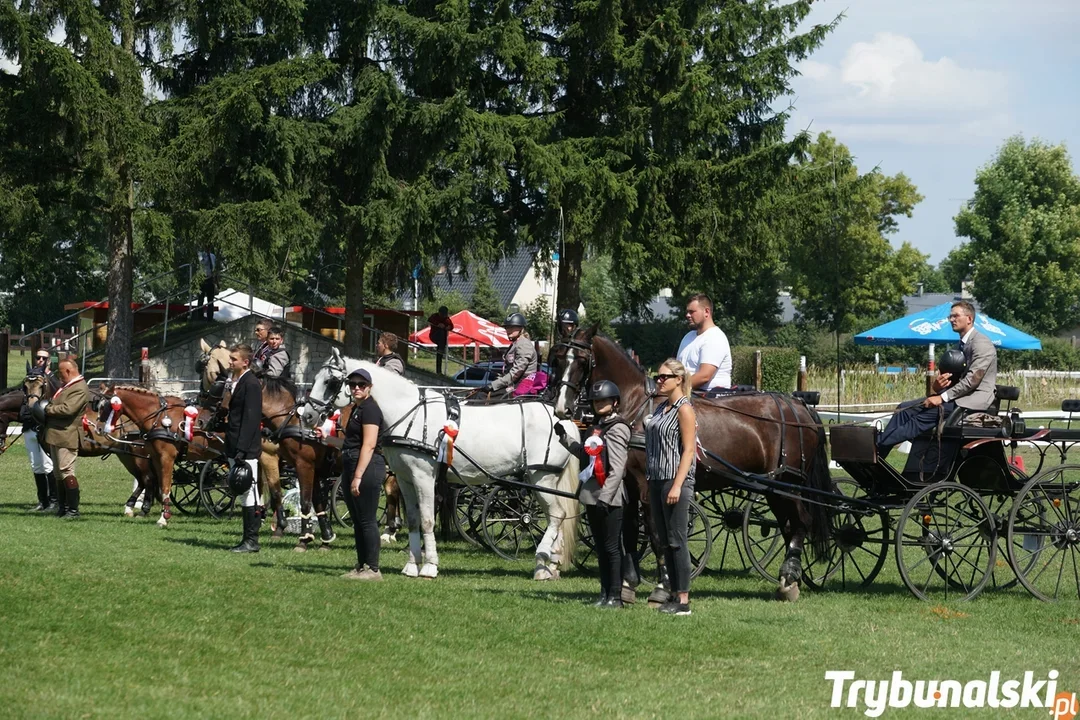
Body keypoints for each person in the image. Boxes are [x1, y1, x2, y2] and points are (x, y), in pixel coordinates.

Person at [876, 300, 998, 458]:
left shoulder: (982, 343)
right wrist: (938, 387)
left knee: (920, 419)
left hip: (972, 402)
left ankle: (877, 444)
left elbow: (973, 380)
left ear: (969, 318)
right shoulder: (958, 347)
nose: (952, 319)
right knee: (903, 409)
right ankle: (877, 457)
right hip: (956, 398)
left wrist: (941, 397)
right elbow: (952, 379)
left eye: (955, 316)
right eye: (950, 317)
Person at [555, 380, 630, 608]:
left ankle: (615, 596)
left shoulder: (617, 428)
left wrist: (605, 498)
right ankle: (604, 593)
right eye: (596, 401)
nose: (599, 404)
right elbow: (586, 454)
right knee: (600, 548)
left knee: (611, 548)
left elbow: (617, 469)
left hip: (610, 497)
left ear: (615, 402)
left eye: (604, 400)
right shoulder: (595, 428)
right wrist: (565, 439)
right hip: (591, 495)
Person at [645, 358, 697, 616]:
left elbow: (689, 451)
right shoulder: (660, 408)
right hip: (656, 480)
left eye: (665, 376)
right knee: (665, 542)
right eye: (658, 376)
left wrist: (677, 485)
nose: (659, 380)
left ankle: (684, 600)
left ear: (679, 379)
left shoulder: (683, 410)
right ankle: (674, 593)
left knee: (677, 541)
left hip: (674, 480)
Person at [337, 368, 386, 581]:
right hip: (352, 462)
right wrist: (326, 439)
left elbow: (369, 445)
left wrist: (357, 476)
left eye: (361, 384)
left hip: (367, 466)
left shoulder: (370, 410)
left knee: (367, 519)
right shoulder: (356, 409)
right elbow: (351, 443)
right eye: (352, 384)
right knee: (357, 519)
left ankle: (373, 569)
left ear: (370, 387)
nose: (356, 388)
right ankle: (361, 565)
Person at [40, 357, 90, 520]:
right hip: (57, 434)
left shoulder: (80, 388)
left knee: (66, 471)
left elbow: (68, 409)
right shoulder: (69, 386)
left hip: (67, 434)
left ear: (69, 371)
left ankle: (73, 510)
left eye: (61, 373)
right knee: (58, 473)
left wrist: (47, 408)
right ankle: (63, 507)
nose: (59, 376)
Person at [225, 343, 264, 553]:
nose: (230, 362)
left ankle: (251, 540)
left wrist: (241, 449)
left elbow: (251, 419)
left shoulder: (251, 383)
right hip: (235, 445)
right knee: (243, 492)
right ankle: (247, 539)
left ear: (245, 362)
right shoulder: (238, 381)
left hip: (246, 448)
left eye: (233, 359)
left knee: (249, 492)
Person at [21, 351, 57, 512]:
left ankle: (54, 501)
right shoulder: (29, 380)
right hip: (29, 427)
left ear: (49, 361)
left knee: (48, 465)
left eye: (44, 358)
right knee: (36, 466)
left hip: (44, 429)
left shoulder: (53, 381)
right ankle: (43, 501)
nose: (40, 360)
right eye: (38, 357)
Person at [676, 294, 732, 392]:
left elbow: (704, 376)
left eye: (692, 312)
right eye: (687, 312)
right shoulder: (688, 336)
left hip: (709, 399)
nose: (687, 315)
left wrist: (675, 388)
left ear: (706, 312)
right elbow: (677, 369)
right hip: (688, 394)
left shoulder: (715, 337)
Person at [483, 313, 538, 397]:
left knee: (482, 396)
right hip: (513, 383)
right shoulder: (515, 344)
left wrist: (493, 385)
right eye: (507, 327)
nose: (508, 330)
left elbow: (516, 372)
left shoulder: (524, 345)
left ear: (521, 328)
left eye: (511, 327)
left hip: (521, 386)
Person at [542, 309, 579, 402]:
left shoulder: (579, 348)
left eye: (568, 326)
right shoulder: (556, 347)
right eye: (562, 326)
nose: (565, 329)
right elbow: (551, 365)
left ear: (574, 326)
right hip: (555, 385)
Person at [427, 306, 453, 375]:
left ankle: (439, 371)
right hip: (434, 336)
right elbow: (429, 320)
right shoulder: (435, 316)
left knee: (439, 354)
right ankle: (441, 349)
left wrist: (449, 327)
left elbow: (451, 326)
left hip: (442, 340)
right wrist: (438, 324)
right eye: (442, 315)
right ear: (440, 313)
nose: (444, 317)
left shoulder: (447, 319)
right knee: (441, 331)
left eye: (445, 315)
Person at [197, 248, 218, 321]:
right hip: (202, 279)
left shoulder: (212, 256)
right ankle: (200, 316)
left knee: (210, 300)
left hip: (210, 279)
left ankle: (210, 317)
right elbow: (201, 263)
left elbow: (214, 267)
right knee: (200, 298)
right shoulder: (200, 255)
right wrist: (206, 255)